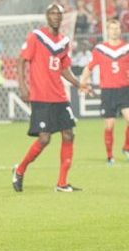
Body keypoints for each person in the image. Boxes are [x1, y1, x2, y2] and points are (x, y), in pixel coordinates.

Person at [12, 3, 88, 193]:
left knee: (69, 134)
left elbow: (64, 68)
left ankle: (62, 183)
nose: (55, 16)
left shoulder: (63, 41)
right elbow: (21, 60)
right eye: (52, 13)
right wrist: (23, 86)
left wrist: (78, 84)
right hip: (41, 96)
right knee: (44, 139)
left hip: (60, 96)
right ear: (47, 16)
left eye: (58, 13)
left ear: (62, 18)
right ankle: (20, 170)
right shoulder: (36, 36)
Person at [79, 19, 129, 164]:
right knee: (109, 125)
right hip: (108, 92)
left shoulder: (126, 48)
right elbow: (89, 67)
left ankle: (126, 147)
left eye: (117, 28)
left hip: (125, 90)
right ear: (107, 31)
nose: (115, 31)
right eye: (112, 28)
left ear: (120, 30)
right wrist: (82, 83)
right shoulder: (100, 49)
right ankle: (110, 156)